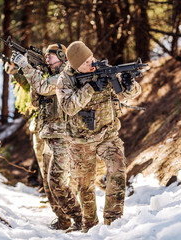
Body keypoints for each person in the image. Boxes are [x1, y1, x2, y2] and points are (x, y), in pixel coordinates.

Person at [56, 41, 142, 232]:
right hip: (80, 141)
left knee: (118, 169)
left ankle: (113, 222)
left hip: (107, 135)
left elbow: (129, 94)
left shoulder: (104, 69)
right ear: (75, 65)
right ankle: (90, 226)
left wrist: (130, 85)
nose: (92, 63)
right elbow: (69, 107)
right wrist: (91, 88)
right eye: (86, 62)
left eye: (91, 58)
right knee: (84, 186)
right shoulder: (65, 80)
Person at [10, 43, 82, 231]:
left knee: (58, 181)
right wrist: (33, 71)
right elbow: (36, 99)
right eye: (46, 56)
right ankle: (63, 219)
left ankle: (79, 218)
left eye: (51, 56)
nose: (47, 58)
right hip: (49, 135)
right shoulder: (49, 76)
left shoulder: (66, 76)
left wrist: (26, 66)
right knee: (48, 182)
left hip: (64, 135)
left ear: (61, 56)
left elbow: (43, 88)